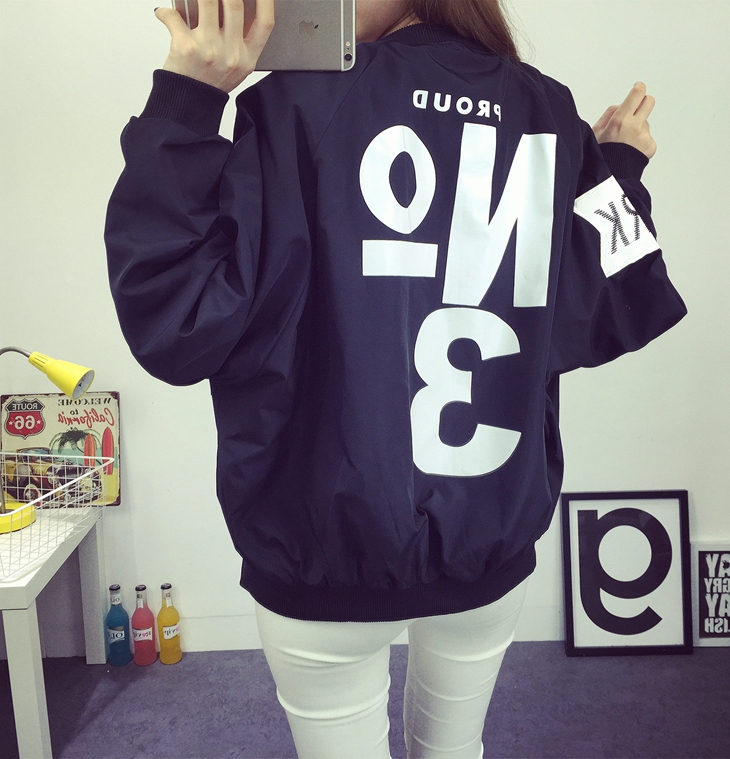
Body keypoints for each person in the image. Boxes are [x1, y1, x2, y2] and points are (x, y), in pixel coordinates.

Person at [105, 1, 686, 756]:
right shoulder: (545, 108)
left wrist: (187, 99)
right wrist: (618, 168)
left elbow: (176, 324)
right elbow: (620, 294)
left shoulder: (289, 105)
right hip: (486, 538)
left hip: (319, 550)